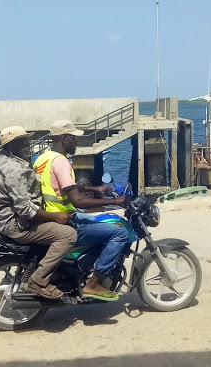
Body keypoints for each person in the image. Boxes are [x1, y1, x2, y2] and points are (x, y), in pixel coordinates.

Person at [33, 120, 129, 301]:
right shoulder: (61, 162)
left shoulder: (43, 159)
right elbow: (77, 200)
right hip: (65, 220)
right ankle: (93, 285)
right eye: (73, 137)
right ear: (63, 138)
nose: (77, 141)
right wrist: (116, 201)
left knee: (100, 224)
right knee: (118, 233)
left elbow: (61, 187)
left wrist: (95, 189)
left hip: (48, 217)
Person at [0, 125, 77, 300]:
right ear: (10, 145)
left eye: (27, 141)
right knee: (68, 235)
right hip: (16, 223)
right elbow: (24, 209)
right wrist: (55, 216)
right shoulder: (14, 169)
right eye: (22, 142)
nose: (27, 145)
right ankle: (38, 281)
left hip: (2, 217)